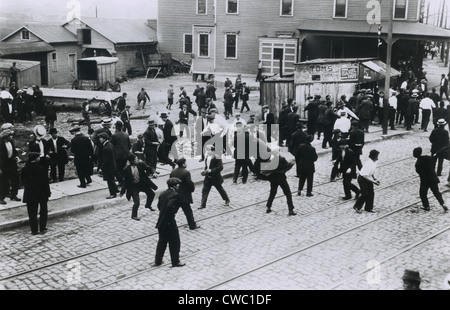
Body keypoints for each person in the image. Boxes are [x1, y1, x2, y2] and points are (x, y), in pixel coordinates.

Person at [152, 177, 185, 268]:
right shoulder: (175, 195)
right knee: (175, 242)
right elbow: (170, 206)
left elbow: (159, 206)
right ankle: (175, 261)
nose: (178, 186)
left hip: (161, 221)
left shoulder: (163, 193)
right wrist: (172, 213)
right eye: (177, 184)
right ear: (174, 185)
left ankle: (158, 261)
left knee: (162, 242)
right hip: (169, 222)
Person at [120, 153, 158, 220]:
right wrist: (122, 191)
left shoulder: (141, 164)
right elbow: (125, 182)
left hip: (142, 184)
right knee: (137, 202)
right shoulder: (126, 169)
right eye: (136, 159)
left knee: (151, 194)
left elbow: (149, 168)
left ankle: (148, 205)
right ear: (132, 161)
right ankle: (134, 215)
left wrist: (154, 172)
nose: (138, 160)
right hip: (133, 187)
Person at [21, 152, 51, 235]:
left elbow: (23, 182)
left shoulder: (25, 169)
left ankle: (34, 230)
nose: (39, 158)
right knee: (43, 211)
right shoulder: (41, 169)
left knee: (32, 212)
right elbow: (45, 183)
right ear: (35, 159)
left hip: (30, 193)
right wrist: (48, 193)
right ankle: (42, 228)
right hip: (41, 193)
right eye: (38, 157)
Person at [413, 147, 448, 212]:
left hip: (425, 181)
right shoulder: (428, 158)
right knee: (436, 192)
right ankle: (443, 204)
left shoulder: (417, 164)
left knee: (423, 194)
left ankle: (426, 206)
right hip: (433, 179)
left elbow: (419, 172)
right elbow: (434, 158)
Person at [170, 158, 200, 230]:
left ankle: (168, 224)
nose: (186, 164)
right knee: (188, 212)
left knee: (172, 212)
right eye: (186, 163)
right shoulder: (186, 172)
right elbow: (189, 183)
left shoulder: (173, 172)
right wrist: (191, 190)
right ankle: (192, 225)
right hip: (184, 196)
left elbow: (170, 182)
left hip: (175, 195)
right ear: (183, 164)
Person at [198, 145, 230, 209]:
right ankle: (203, 204)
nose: (207, 151)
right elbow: (207, 165)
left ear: (212, 150)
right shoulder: (207, 156)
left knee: (220, 189)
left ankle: (226, 199)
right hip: (208, 177)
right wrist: (205, 170)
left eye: (208, 150)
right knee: (205, 190)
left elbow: (220, 167)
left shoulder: (217, 157)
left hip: (215, 177)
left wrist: (211, 170)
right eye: (206, 150)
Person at [353, 149, 380, 214]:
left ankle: (368, 208)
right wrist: (374, 182)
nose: (378, 157)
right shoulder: (369, 164)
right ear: (375, 157)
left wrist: (374, 178)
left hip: (368, 178)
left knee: (371, 193)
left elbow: (372, 172)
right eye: (377, 156)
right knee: (365, 193)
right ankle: (357, 206)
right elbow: (365, 176)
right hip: (362, 179)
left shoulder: (374, 162)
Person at [0, 128, 20, 204]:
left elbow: (14, 151)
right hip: (4, 164)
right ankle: (1, 197)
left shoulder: (11, 142)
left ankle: (13, 195)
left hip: (12, 163)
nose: (11, 136)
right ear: (6, 136)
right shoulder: (1, 143)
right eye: (10, 135)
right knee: (4, 182)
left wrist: (16, 156)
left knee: (16, 179)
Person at [98, 132, 119, 199]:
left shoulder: (106, 148)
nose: (99, 139)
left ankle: (113, 194)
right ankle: (116, 190)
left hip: (108, 167)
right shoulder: (110, 145)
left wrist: (102, 168)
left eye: (101, 138)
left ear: (104, 139)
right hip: (113, 165)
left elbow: (106, 160)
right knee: (112, 179)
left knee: (109, 180)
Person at [110, 121, 131, 186]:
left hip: (117, 155)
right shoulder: (126, 134)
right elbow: (129, 145)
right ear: (122, 126)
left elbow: (111, 145)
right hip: (125, 154)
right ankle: (124, 180)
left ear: (116, 127)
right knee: (123, 168)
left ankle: (121, 182)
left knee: (117, 169)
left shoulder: (114, 135)